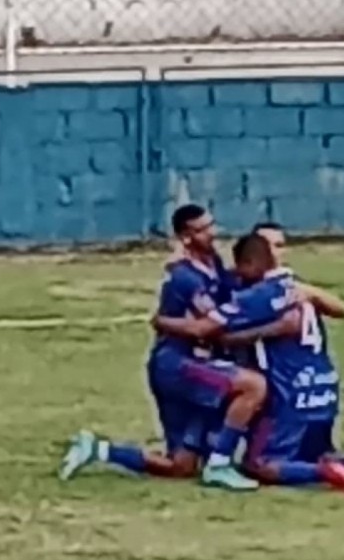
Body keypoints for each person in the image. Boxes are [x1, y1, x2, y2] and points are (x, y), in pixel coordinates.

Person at [154, 234, 344, 495]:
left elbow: (207, 330)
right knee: (312, 453)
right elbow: (339, 310)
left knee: (259, 464)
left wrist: (163, 322)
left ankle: (327, 473)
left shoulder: (255, 296)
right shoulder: (296, 287)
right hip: (323, 390)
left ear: (251, 262)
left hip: (289, 394)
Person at [59, 204, 267, 491]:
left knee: (181, 465)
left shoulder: (213, 263)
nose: (212, 233)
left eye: (211, 225)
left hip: (190, 365)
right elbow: (206, 327)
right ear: (185, 237)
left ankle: (98, 449)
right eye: (202, 230)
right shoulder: (185, 278)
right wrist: (163, 322)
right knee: (253, 386)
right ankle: (219, 465)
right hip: (180, 367)